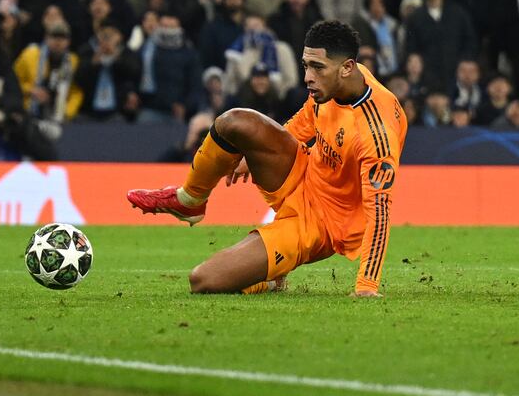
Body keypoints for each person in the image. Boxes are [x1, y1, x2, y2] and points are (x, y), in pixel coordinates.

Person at [128, 21, 407, 297]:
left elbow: (379, 211)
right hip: (302, 171)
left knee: (203, 280)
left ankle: (272, 279)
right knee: (234, 121)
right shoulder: (336, 85)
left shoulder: (376, 133)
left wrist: (366, 286)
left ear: (347, 68)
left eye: (317, 68)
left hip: (320, 225)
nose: (308, 76)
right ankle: (189, 200)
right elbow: (307, 119)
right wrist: (260, 152)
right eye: (306, 65)